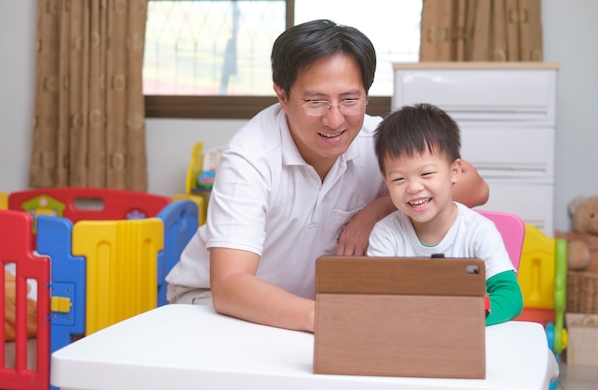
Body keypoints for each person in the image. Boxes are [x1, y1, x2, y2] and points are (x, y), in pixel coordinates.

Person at [165, 19, 489, 333]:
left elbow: (474, 187)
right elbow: (230, 285)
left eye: (349, 99)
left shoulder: (375, 139)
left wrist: (380, 210)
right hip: (212, 304)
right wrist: (332, 316)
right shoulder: (249, 159)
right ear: (282, 95)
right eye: (316, 101)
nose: (335, 121)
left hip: (311, 307)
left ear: (366, 95)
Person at [367, 103, 522, 325]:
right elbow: (375, 296)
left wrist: (469, 315)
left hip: (467, 336)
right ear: (386, 182)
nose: (413, 188)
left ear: (454, 172)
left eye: (427, 174)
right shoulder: (386, 234)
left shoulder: (479, 231)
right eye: (399, 179)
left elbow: (510, 296)